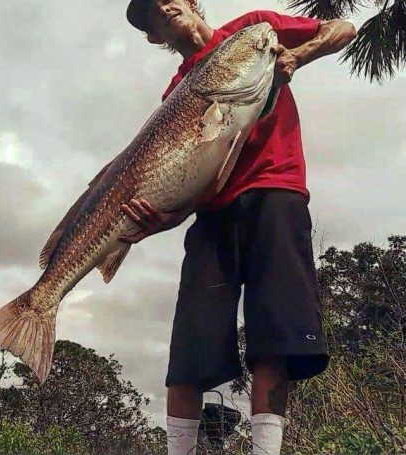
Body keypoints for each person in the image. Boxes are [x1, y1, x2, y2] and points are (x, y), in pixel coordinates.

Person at [119, 1, 357, 454]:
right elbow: (189, 177)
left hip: (277, 190)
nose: (164, 7)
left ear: (191, 3)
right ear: (154, 36)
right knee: (191, 342)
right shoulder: (177, 91)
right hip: (212, 214)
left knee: (275, 336)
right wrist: (164, 218)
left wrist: (297, 56)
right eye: (151, 14)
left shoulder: (252, 30)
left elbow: (342, 28)